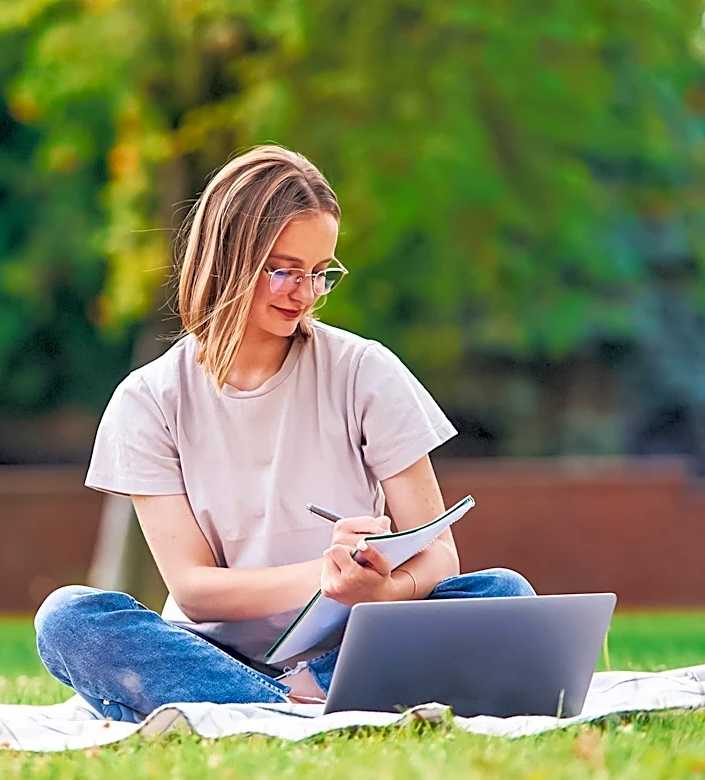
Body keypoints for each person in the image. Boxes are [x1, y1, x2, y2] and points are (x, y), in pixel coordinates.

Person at [35, 145, 535, 722]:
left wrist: (382, 592)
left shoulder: (364, 370)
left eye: (320, 274)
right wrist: (325, 575)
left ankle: (281, 703)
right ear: (226, 259)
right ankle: (287, 705)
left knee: (503, 594)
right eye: (284, 270)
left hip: (353, 645)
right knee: (68, 619)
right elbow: (195, 589)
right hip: (210, 653)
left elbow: (436, 553)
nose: (303, 293)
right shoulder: (148, 401)